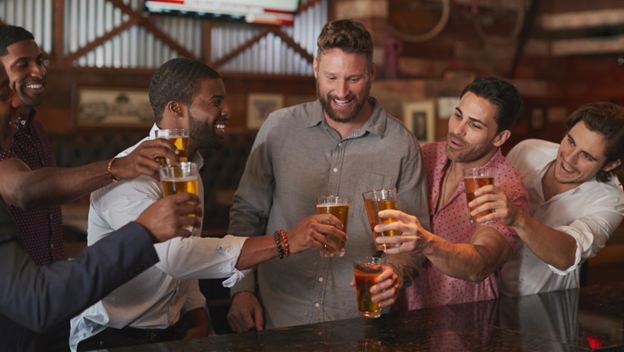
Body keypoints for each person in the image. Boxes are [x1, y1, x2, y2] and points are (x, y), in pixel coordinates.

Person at [70, 58, 347, 351]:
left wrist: (196, 313)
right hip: (110, 337)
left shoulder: (189, 169)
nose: (227, 110)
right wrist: (286, 240)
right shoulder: (133, 178)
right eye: (216, 101)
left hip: (173, 332)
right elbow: (177, 258)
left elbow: (190, 253)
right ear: (176, 109)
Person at [226, 19, 430, 332]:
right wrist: (241, 291)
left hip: (359, 323)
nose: (342, 91)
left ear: (372, 73)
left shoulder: (402, 144)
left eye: (354, 78)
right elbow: (245, 215)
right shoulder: (279, 128)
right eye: (331, 77)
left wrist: (394, 271)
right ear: (315, 69)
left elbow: (412, 243)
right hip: (278, 315)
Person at [0, 59, 203, 352]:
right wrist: (142, 232)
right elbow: (38, 300)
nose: (17, 100)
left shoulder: (34, 130)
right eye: (3, 94)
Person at [0, 24, 183, 267]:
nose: (39, 71)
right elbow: (25, 191)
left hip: (44, 284)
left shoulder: (34, 128)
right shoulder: (4, 134)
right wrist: (116, 167)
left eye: (41, 61)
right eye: (23, 64)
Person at [374, 76, 531, 310]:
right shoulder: (426, 155)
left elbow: (482, 262)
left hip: (463, 322)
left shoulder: (506, 186)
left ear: (500, 137)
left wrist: (427, 243)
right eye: (458, 115)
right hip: (403, 314)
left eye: (475, 125)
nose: (458, 130)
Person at [469, 102, 624, 296]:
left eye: (586, 156)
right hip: (488, 295)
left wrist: (519, 218)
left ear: (610, 165)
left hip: (548, 308)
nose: (569, 159)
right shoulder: (527, 151)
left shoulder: (610, 199)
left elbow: (567, 255)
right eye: (571, 141)